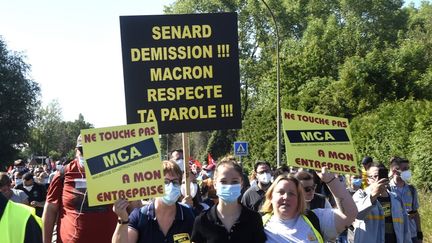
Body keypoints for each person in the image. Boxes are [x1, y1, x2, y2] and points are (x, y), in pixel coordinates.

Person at [43, 135, 117, 243]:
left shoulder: (117, 174)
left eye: (92, 150)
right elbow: (50, 210)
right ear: (76, 151)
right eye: (83, 150)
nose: (87, 154)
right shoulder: (63, 174)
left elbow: (134, 208)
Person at [262, 167, 357, 242]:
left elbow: (349, 214)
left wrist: (330, 180)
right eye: (281, 192)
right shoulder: (257, 224)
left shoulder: (316, 219)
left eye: (292, 193)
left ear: (299, 198)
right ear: (270, 197)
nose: (286, 197)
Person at [112, 160, 195, 243]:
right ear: (154, 186)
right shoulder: (139, 216)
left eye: (175, 182)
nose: (171, 186)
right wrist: (122, 219)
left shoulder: (189, 215)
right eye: (165, 182)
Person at [191, 156, 266, 243]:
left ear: (241, 184)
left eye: (234, 181)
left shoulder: (254, 219)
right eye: (223, 181)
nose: (229, 186)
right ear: (215, 184)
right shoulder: (202, 221)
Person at [351, 162, 411, 242]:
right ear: (368, 180)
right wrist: (374, 195)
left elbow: (405, 228)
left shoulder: (396, 198)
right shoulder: (360, 195)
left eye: (381, 175)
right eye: (375, 176)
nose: (379, 179)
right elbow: (357, 215)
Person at [389, 157, 422, 243]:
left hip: (412, 233)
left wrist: (419, 232)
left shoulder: (411, 189)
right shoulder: (387, 189)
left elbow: (415, 212)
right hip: (396, 234)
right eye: (404, 169)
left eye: (408, 168)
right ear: (395, 170)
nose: (407, 171)